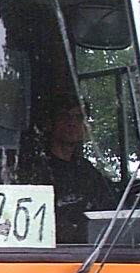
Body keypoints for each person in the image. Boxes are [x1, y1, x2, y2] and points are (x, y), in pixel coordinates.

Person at [20, 98, 118, 243]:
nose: (72, 123)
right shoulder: (37, 170)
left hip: (89, 247)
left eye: (78, 117)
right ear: (49, 124)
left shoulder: (85, 170)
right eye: (64, 116)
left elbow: (110, 202)